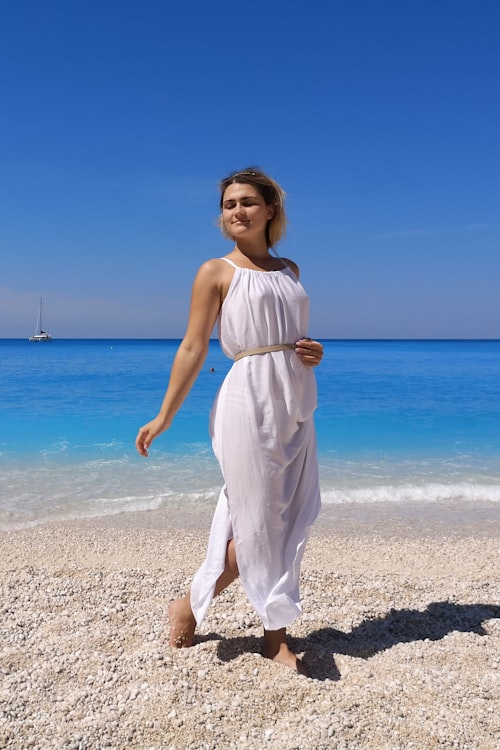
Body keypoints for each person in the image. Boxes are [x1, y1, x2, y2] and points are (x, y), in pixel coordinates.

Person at [136, 167, 324, 674]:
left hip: (295, 397)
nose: (235, 212)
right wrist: (165, 415)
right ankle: (243, 624)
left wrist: (312, 352)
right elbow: (195, 347)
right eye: (228, 204)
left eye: (246, 202)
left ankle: (251, 625)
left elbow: (291, 335)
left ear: (270, 211)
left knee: (288, 516)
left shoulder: (291, 270)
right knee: (258, 517)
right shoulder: (215, 271)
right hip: (247, 397)